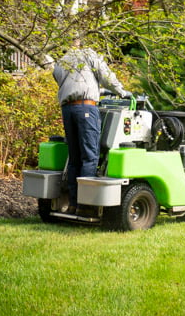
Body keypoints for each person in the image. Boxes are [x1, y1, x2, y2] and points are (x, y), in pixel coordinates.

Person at [52, 42, 130, 214]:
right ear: (80, 43)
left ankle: (73, 204)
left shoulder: (61, 61)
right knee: (90, 157)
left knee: (75, 158)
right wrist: (121, 91)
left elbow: (65, 82)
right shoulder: (88, 54)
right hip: (86, 108)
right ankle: (85, 206)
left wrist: (98, 89)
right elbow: (106, 76)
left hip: (68, 109)